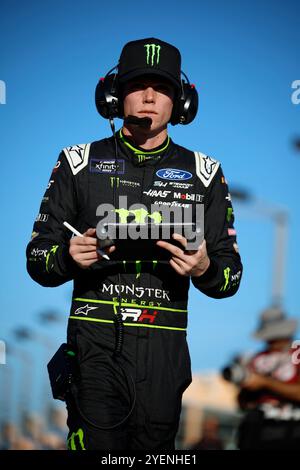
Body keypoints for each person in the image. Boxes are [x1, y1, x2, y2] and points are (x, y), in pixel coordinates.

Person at [26, 37, 242, 450]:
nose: (148, 96)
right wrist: (67, 257)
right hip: (94, 344)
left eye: (161, 88)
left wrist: (205, 269)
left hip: (165, 352)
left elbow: (230, 276)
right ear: (113, 95)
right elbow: (37, 258)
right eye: (136, 85)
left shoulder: (206, 172)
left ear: (181, 103)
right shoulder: (77, 161)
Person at [237, 307, 300, 450]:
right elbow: (242, 403)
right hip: (258, 431)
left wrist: (265, 383)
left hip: (292, 431)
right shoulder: (256, 359)